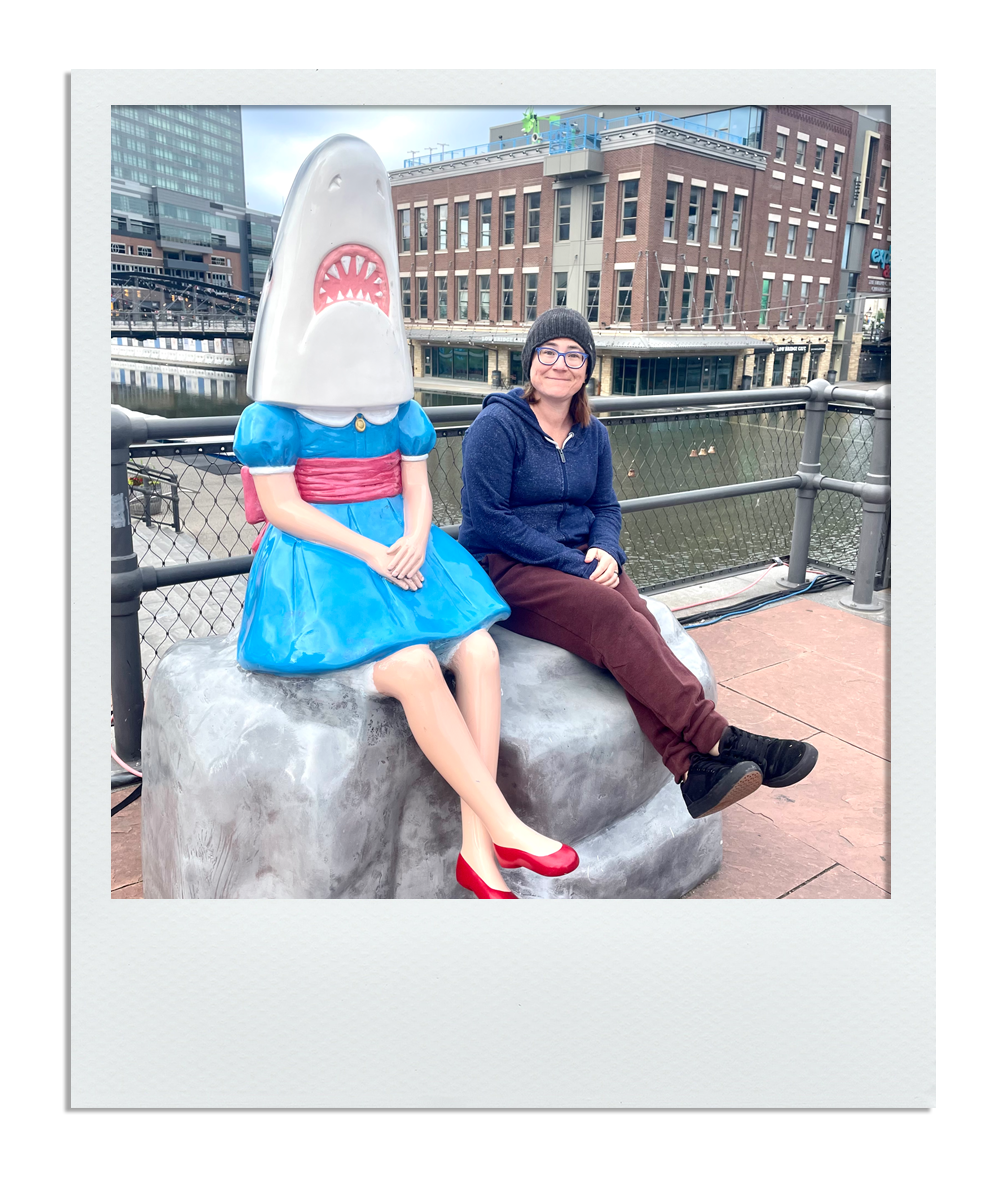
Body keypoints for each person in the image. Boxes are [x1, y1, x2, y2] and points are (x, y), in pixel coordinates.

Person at [233, 133, 579, 899]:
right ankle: (503, 823)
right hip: (322, 565)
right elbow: (285, 509)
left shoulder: (402, 412)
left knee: (481, 655)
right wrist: (372, 548)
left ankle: (476, 848)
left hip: (400, 546)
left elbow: (419, 486)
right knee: (418, 668)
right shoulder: (272, 417)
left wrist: (415, 536)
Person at [458, 307, 819, 819]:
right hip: (510, 568)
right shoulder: (497, 427)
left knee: (639, 624)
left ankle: (690, 770)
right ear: (530, 361)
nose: (560, 363)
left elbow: (605, 507)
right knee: (611, 618)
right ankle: (721, 737)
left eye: (574, 354)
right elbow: (488, 521)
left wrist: (608, 550)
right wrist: (576, 564)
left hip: (583, 561)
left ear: (588, 367)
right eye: (548, 352)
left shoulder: (593, 434)